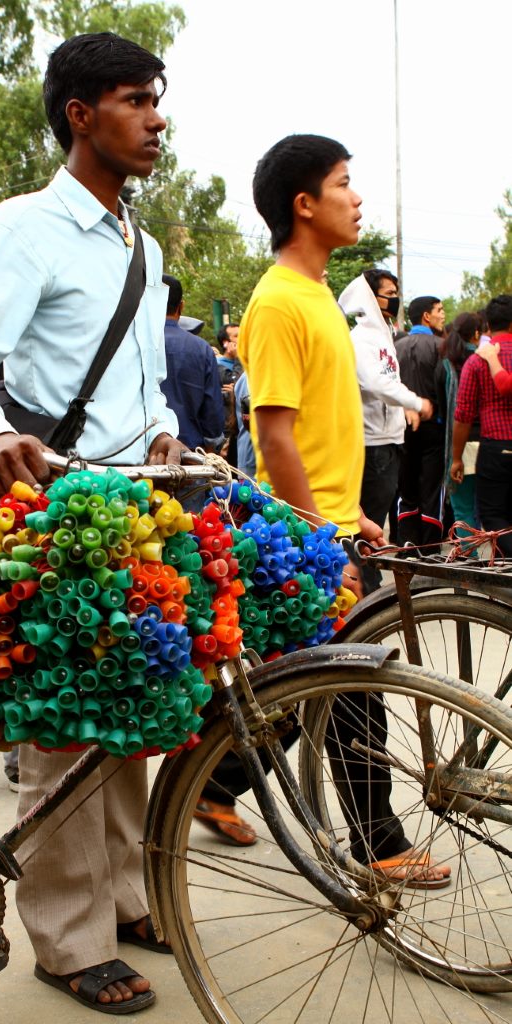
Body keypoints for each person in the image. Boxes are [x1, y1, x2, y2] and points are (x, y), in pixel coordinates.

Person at [0, 32, 181, 1015]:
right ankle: (66, 939)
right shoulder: (25, 226)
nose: (154, 119)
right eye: (133, 100)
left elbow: (142, 379)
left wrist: (162, 432)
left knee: (129, 720)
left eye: (156, 100)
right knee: (66, 734)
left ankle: (122, 898)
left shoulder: (139, 243)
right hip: (51, 508)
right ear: (80, 115)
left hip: (130, 510)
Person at [239, 133, 450, 886]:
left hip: (327, 523)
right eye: (342, 183)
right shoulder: (276, 302)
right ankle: (379, 844)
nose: (355, 197)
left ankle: (213, 783)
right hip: (297, 537)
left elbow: (325, 429)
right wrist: (319, 537)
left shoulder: (322, 296)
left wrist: (350, 516)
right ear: (303, 204)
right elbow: (273, 434)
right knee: (352, 684)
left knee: (301, 695)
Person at [339, 269, 432, 592]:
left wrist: (404, 405)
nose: (394, 297)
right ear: (370, 296)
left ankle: (366, 581)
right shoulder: (362, 338)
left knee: (375, 521)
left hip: (388, 439)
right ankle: (362, 585)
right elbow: (375, 383)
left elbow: (389, 381)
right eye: (388, 292)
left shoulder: (384, 334)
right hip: (371, 443)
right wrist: (416, 401)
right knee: (365, 523)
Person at [452, 294, 512, 556]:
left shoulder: (477, 361)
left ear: (487, 325)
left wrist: (456, 458)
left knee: (494, 516)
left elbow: (463, 415)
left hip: (495, 450)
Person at [395, 295, 447, 554]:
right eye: (439, 310)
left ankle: (407, 542)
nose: (443, 314)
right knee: (432, 488)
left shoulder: (397, 347)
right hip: (433, 428)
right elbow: (446, 390)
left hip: (401, 426)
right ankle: (430, 547)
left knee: (406, 487)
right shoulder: (441, 346)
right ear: (426, 316)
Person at [160, 274, 224, 454]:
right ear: (181, 306)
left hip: (144, 456)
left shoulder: (134, 343)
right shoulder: (201, 348)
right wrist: (211, 450)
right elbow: (212, 410)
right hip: (191, 454)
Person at [436, 312, 482, 536]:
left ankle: (471, 560)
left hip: (459, 444)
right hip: (491, 442)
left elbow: (443, 412)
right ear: (476, 334)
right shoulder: (487, 361)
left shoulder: (446, 365)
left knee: (462, 509)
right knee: (494, 509)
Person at [216, 323, 242, 465]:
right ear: (226, 343)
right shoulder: (218, 365)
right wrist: (238, 358)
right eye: (236, 336)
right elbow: (236, 384)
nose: (242, 338)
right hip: (226, 433)